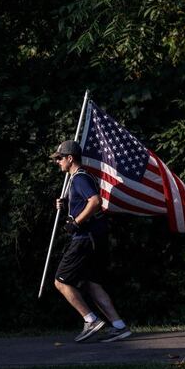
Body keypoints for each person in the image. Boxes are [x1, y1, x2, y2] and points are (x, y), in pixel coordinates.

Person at [51, 140, 131, 342]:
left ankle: (91, 320)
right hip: (94, 237)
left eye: (60, 158)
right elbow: (84, 200)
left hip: (84, 238)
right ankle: (119, 326)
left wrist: (75, 222)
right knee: (90, 282)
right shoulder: (80, 178)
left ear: (70, 158)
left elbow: (95, 201)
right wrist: (66, 203)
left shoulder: (79, 178)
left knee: (60, 281)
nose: (57, 162)